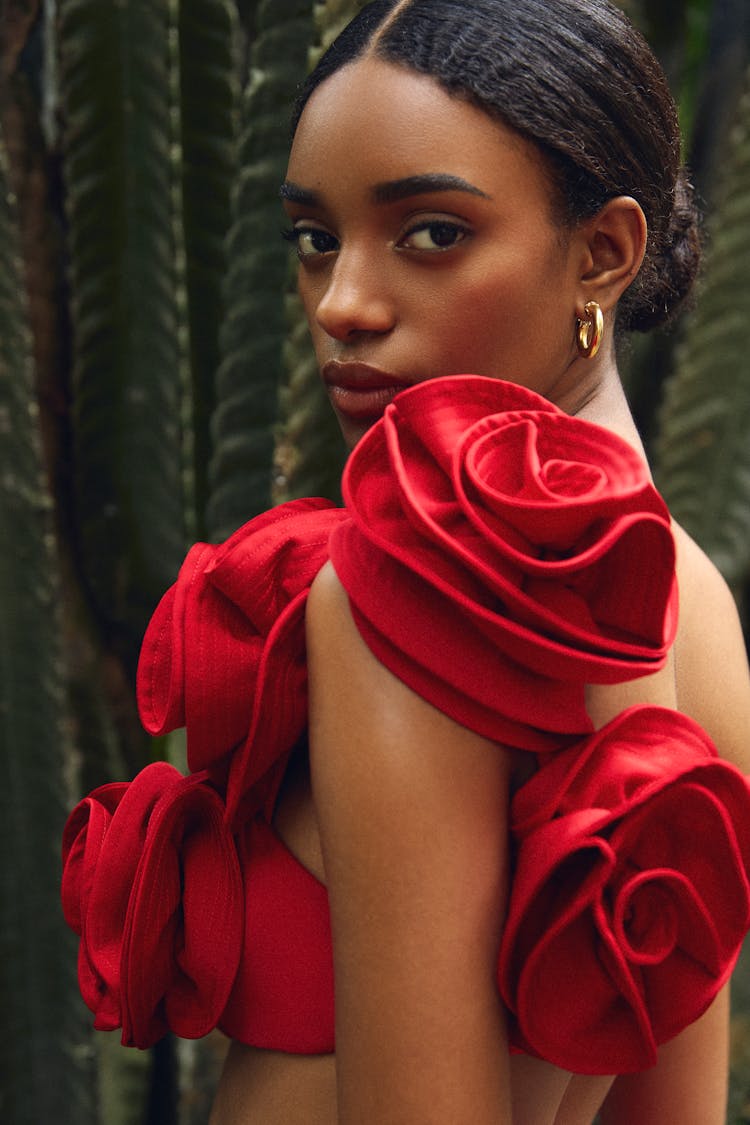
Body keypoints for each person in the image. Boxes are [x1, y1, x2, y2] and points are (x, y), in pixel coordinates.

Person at [61, 2, 750, 1123]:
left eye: (432, 232)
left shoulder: (406, 599)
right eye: (314, 239)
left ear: (604, 253)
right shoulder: (691, 594)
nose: (342, 305)